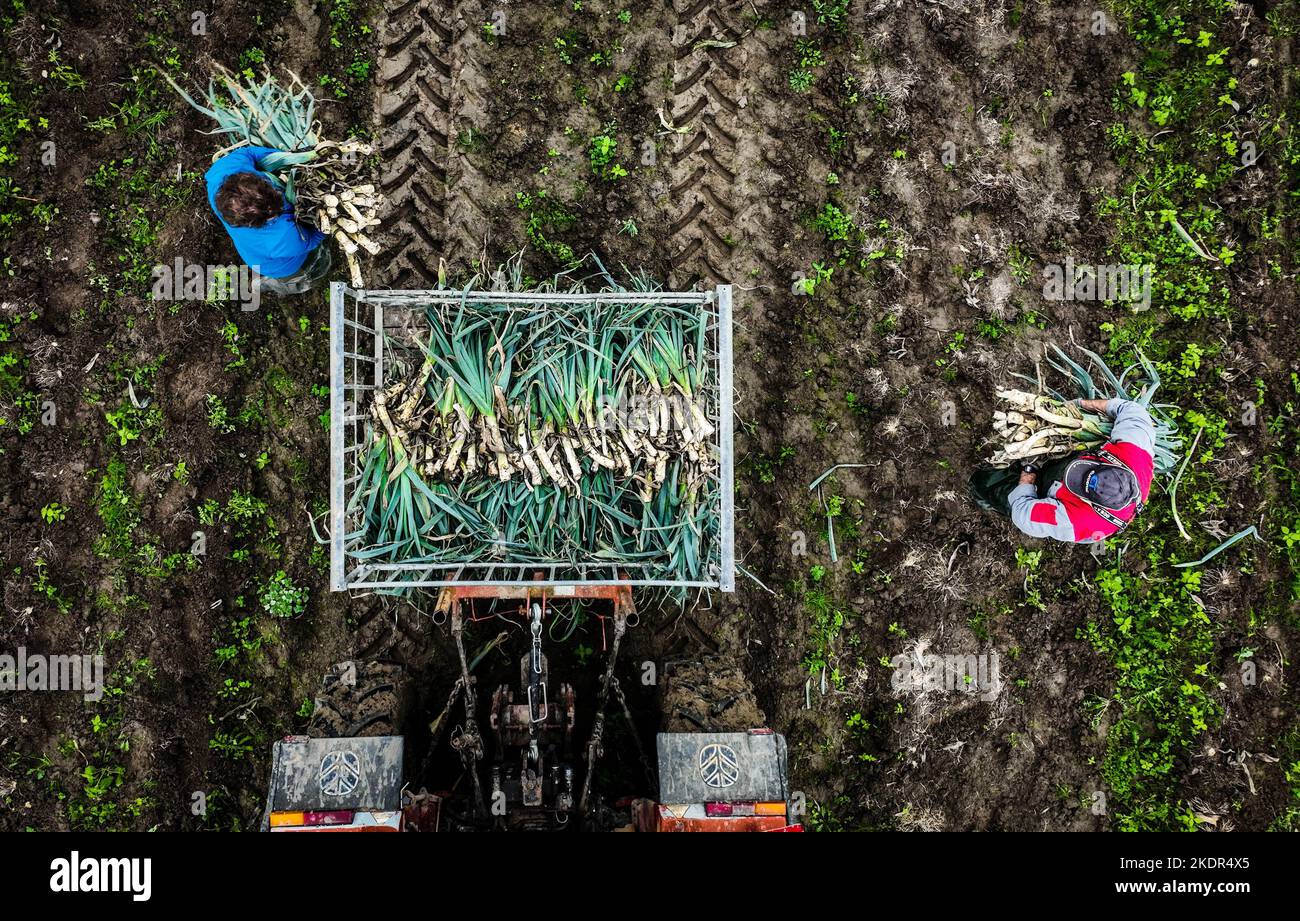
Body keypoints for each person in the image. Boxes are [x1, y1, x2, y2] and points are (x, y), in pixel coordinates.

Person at [971, 397, 1155, 544]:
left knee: (988, 484)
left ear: (1088, 500)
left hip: (1054, 501)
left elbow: (1023, 513)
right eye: (1085, 470)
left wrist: (1028, 473)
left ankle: (984, 497)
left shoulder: (1078, 521)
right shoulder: (1134, 453)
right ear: (1111, 464)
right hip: (1079, 462)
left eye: (1077, 482)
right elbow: (1133, 410)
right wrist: (1083, 404)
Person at [205, 146, 331, 295]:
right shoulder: (282, 238)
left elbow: (249, 152)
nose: (279, 211)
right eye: (274, 214)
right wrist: (326, 222)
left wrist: (290, 156)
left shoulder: (220, 174)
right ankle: (275, 284)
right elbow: (313, 239)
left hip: (253, 253)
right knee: (298, 273)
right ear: (254, 224)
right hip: (280, 266)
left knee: (259, 255)